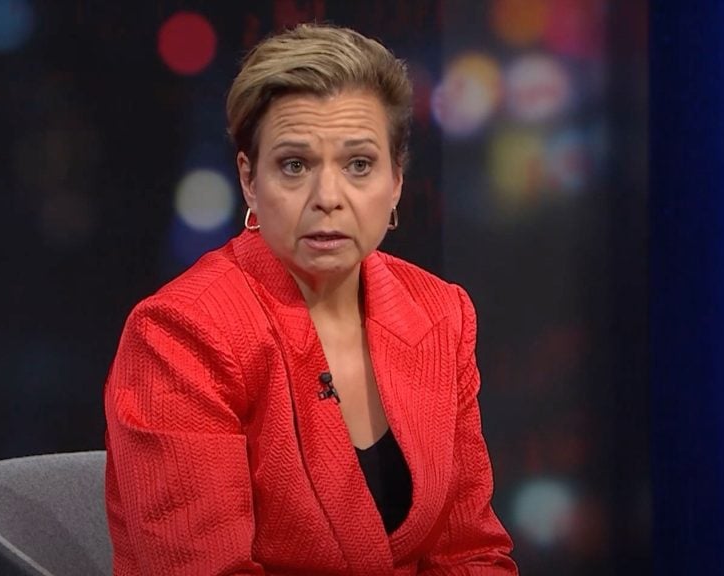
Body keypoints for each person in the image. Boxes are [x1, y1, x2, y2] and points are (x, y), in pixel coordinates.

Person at [104, 23, 517, 575]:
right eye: (295, 165)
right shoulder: (180, 334)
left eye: (359, 165)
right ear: (250, 181)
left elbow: (470, 551)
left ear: (396, 180)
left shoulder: (440, 313)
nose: (328, 198)